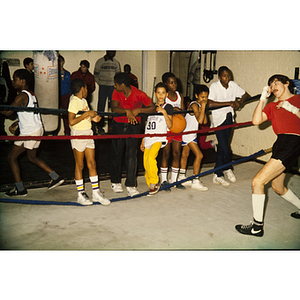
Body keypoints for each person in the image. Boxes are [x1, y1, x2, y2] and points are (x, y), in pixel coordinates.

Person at [235, 74, 300, 237]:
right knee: (278, 187)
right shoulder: (272, 106)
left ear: (286, 84)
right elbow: (256, 121)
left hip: (293, 142)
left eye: (276, 83)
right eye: (270, 85)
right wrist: (263, 98)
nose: (273, 86)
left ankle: (256, 227)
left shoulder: (298, 99)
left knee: (257, 181)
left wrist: (292, 108)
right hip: (281, 143)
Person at [0, 69, 64, 196]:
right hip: (36, 129)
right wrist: (17, 123)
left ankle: (20, 189)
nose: (13, 82)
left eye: (15, 79)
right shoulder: (31, 94)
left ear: (22, 81)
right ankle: (55, 177)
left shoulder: (21, 96)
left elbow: (8, 112)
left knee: (11, 157)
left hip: (30, 132)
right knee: (32, 157)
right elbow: (27, 112)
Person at [110, 72, 155, 197]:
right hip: (118, 125)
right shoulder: (116, 93)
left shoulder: (139, 94)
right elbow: (114, 108)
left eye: (116, 84)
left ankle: (131, 184)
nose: (115, 86)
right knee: (117, 153)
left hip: (133, 126)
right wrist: (127, 111)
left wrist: (139, 110)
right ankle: (115, 181)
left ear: (122, 85)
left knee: (131, 155)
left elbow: (152, 107)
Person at [68, 78, 110, 206]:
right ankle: (80, 194)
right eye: (86, 88)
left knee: (92, 163)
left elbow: (91, 118)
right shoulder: (73, 102)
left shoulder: (84, 101)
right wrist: (87, 113)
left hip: (88, 133)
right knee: (79, 165)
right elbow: (71, 121)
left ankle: (96, 192)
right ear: (82, 89)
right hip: (78, 134)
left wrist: (97, 117)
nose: (88, 91)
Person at [208, 66, 249, 186]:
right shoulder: (214, 86)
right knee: (225, 148)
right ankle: (227, 168)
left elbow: (245, 94)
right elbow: (210, 103)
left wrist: (239, 102)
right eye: (224, 76)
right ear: (219, 77)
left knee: (222, 147)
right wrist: (228, 103)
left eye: (229, 75)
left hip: (229, 117)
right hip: (218, 119)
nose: (227, 78)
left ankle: (217, 174)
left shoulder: (233, 85)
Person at [140, 82, 173, 195]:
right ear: (155, 94)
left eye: (163, 93)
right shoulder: (151, 107)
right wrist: (143, 139)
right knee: (145, 162)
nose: (160, 95)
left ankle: (155, 182)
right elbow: (147, 125)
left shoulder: (168, 107)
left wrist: (164, 112)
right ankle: (150, 183)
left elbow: (170, 125)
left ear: (166, 94)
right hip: (149, 137)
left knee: (151, 158)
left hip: (159, 137)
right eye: (158, 92)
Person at [178, 85, 209, 191]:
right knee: (199, 155)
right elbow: (200, 121)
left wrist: (203, 108)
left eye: (206, 97)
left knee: (185, 154)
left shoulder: (200, 106)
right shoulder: (194, 105)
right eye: (202, 97)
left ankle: (181, 177)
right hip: (188, 133)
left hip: (192, 133)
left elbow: (205, 121)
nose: (204, 99)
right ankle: (195, 180)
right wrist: (203, 107)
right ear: (196, 96)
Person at [160, 72, 185, 191]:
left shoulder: (179, 95)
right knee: (166, 153)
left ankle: (174, 180)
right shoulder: (164, 96)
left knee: (177, 153)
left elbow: (183, 111)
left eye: (175, 82)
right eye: (171, 82)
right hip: (167, 128)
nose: (174, 84)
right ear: (166, 84)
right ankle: (164, 180)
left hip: (178, 129)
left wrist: (178, 110)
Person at [94, 51, 121, 134]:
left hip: (113, 87)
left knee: (114, 107)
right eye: (111, 51)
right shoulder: (100, 62)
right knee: (101, 107)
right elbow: (95, 75)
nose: (112, 53)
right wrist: (101, 83)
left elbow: (118, 76)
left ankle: (114, 128)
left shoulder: (116, 63)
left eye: (114, 51)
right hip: (103, 87)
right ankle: (100, 128)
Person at [58, 55, 71, 135]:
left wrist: (71, 96)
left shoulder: (67, 73)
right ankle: (54, 132)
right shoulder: (54, 73)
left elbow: (70, 85)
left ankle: (67, 132)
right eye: (58, 61)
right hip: (56, 97)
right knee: (55, 115)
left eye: (61, 61)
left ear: (63, 62)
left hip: (66, 96)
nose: (59, 63)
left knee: (66, 114)